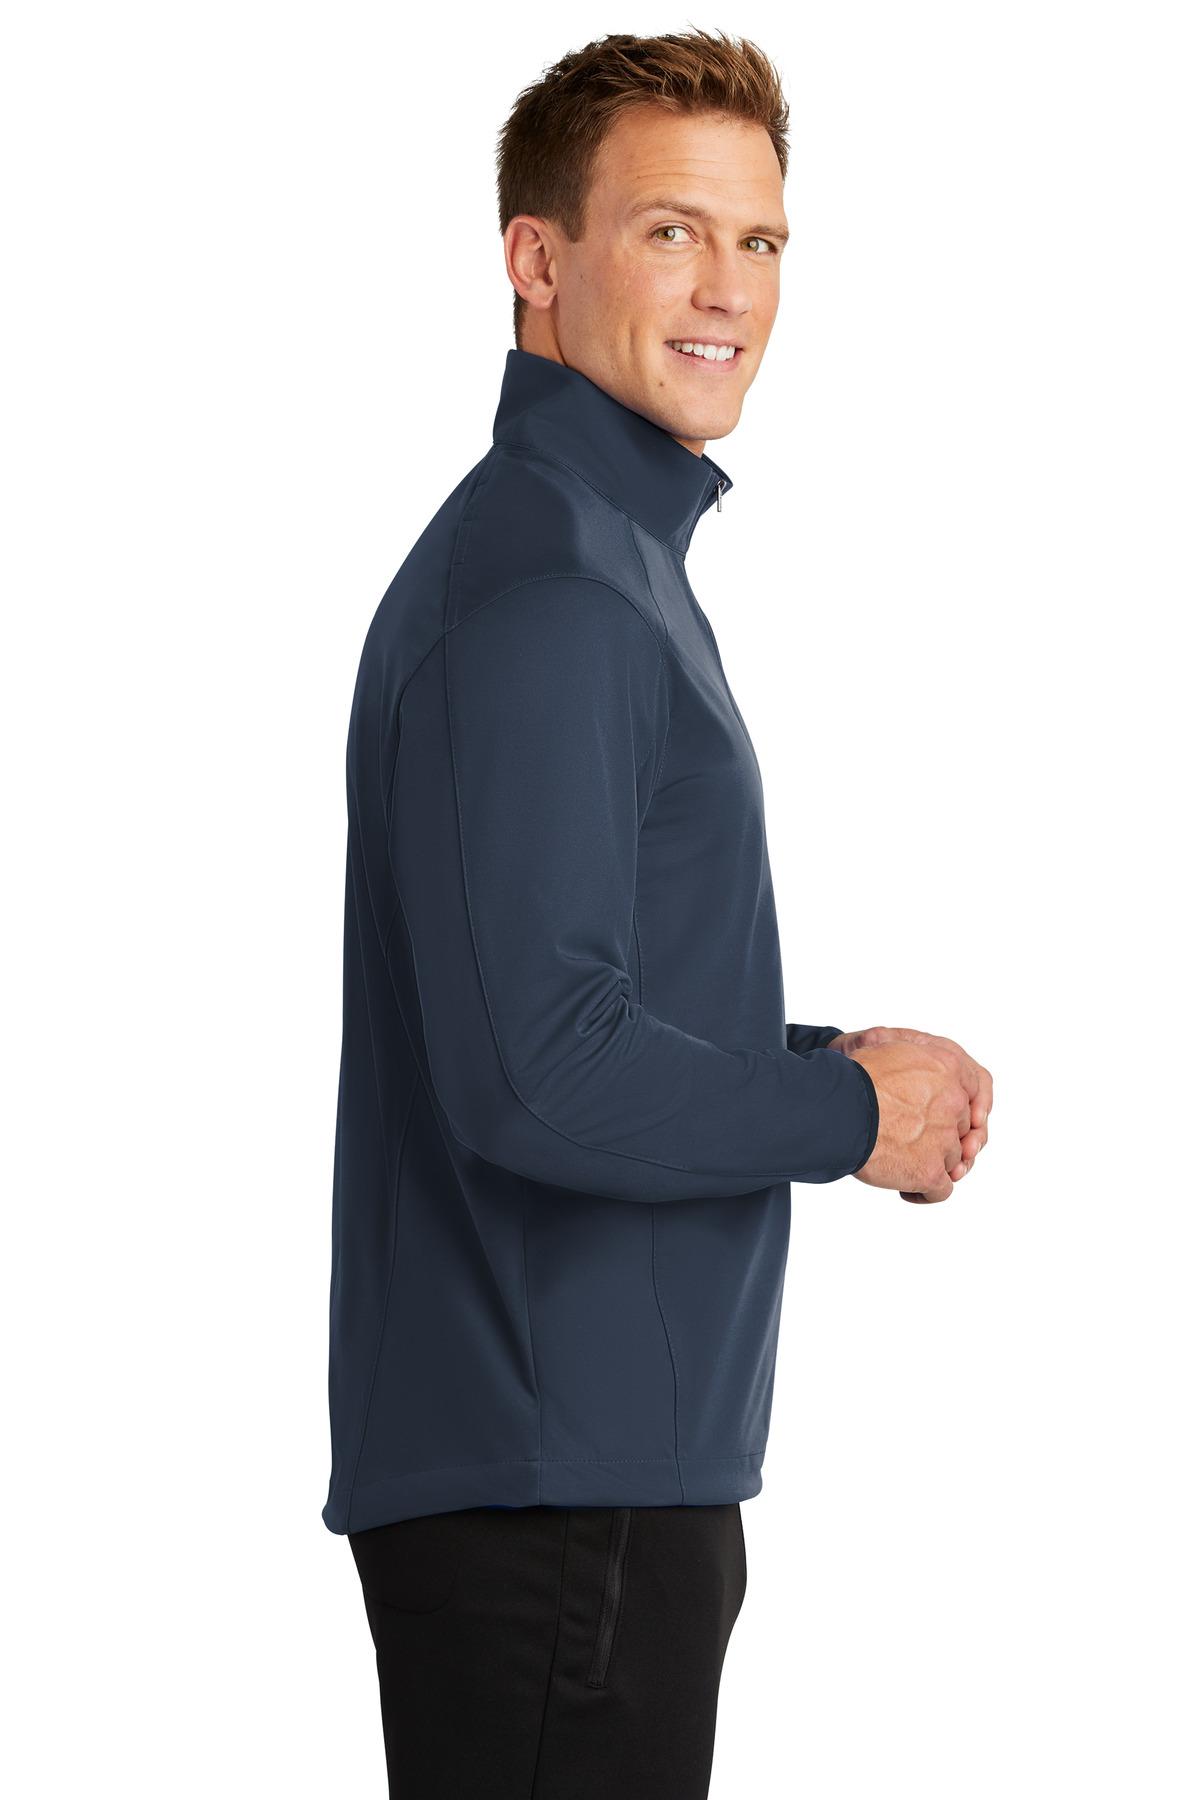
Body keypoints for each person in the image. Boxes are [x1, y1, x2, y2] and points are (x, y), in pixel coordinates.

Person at [323, 29, 993, 1800]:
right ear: (538, 259)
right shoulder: (552, 589)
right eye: (671, 232)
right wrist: (843, 1117)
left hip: (579, 1487)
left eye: (759, 241)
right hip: (559, 1502)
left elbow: (550, 999)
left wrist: (834, 1066)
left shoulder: (594, 563)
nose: (727, 291)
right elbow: (539, 1071)